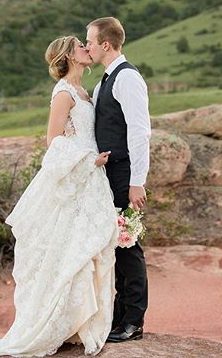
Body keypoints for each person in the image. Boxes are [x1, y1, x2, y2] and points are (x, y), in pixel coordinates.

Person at [0, 36, 119, 357]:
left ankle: (78, 324)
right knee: (70, 251)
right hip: (76, 176)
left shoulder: (85, 91)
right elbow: (52, 140)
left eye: (87, 45)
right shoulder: (64, 93)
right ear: (69, 57)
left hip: (90, 180)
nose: (87, 48)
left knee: (85, 248)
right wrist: (87, 160)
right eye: (80, 46)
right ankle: (58, 323)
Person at [86, 17, 150, 343]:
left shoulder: (128, 79)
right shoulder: (104, 82)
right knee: (115, 243)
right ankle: (120, 315)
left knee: (128, 244)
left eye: (91, 42)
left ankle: (134, 321)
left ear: (106, 44)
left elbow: (140, 132)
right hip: (108, 175)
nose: (87, 47)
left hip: (124, 174)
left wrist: (137, 180)